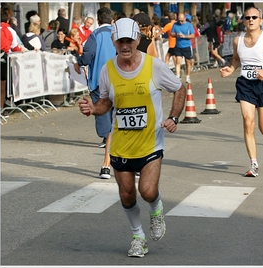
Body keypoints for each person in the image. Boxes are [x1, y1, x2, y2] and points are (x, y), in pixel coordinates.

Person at [78, 17, 186, 257]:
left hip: (150, 143)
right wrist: (93, 109)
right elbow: (106, 101)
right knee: (127, 194)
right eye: (120, 41)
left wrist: (174, 117)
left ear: (138, 39)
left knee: (147, 191)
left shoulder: (153, 66)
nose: (125, 45)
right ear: (114, 42)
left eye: (129, 40)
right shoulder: (108, 69)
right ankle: (138, 237)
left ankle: (156, 210)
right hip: (121, 146)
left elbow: (179, 87)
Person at [219, 7, 263, 177]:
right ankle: (253, 164)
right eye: (247, 17)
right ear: (243, 20)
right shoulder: (238, 40)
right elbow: (236, 59)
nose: (251, 20)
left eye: (254, 17)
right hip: (245, 84)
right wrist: (231, 69)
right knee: (248, 121)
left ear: (260, 20)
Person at [74, 7, 116, 179]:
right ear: (112, 20)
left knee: (104, 119)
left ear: (98, 20)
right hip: (120, 80)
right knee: (121, 118)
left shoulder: (95, 35)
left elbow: (88, 54)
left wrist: (79, 62)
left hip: (100, 82)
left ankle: (106, 161)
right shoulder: (118, 34)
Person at [0, 9, 24, 116]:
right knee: (2, 86)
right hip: (3, 59)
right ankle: (0, 109)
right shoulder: (10, 30)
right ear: (9, 20)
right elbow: (15, 47)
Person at [171, 12, 195, 84]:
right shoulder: (175, 25)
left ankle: (188, 76)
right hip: (178, 46)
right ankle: (178, 76)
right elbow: (171, 34)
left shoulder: (189, 25)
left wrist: (185, 36)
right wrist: (176, 35)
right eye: (179, 20)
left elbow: (193, 35)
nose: (180, 22)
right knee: (178, 61)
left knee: (188, 62)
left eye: (182, 20)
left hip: (186, 46)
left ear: (185, 19)